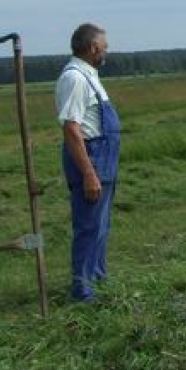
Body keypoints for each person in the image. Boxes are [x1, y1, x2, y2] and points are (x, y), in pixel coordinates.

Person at [55, 23, 121, 303]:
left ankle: (98, 281)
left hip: (103, 159)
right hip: (91, 160)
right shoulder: (75, 78)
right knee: (88, 228)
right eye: (104, 46)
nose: (106, 50)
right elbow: (72, 129)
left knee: (101, 227)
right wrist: (89, 174)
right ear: (93, 48)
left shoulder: (88, 75)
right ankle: (82, 292)